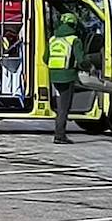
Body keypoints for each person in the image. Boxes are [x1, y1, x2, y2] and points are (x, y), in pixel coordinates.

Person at [44, 12, 85, 144]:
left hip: (54, 76)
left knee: (60, 106)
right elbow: (81, 60)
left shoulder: (53, 39)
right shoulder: (74, 40)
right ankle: (60, 135)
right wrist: (89, 66)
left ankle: (59, 133)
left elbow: (45, 58)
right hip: (67, 76)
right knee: (64, 108)